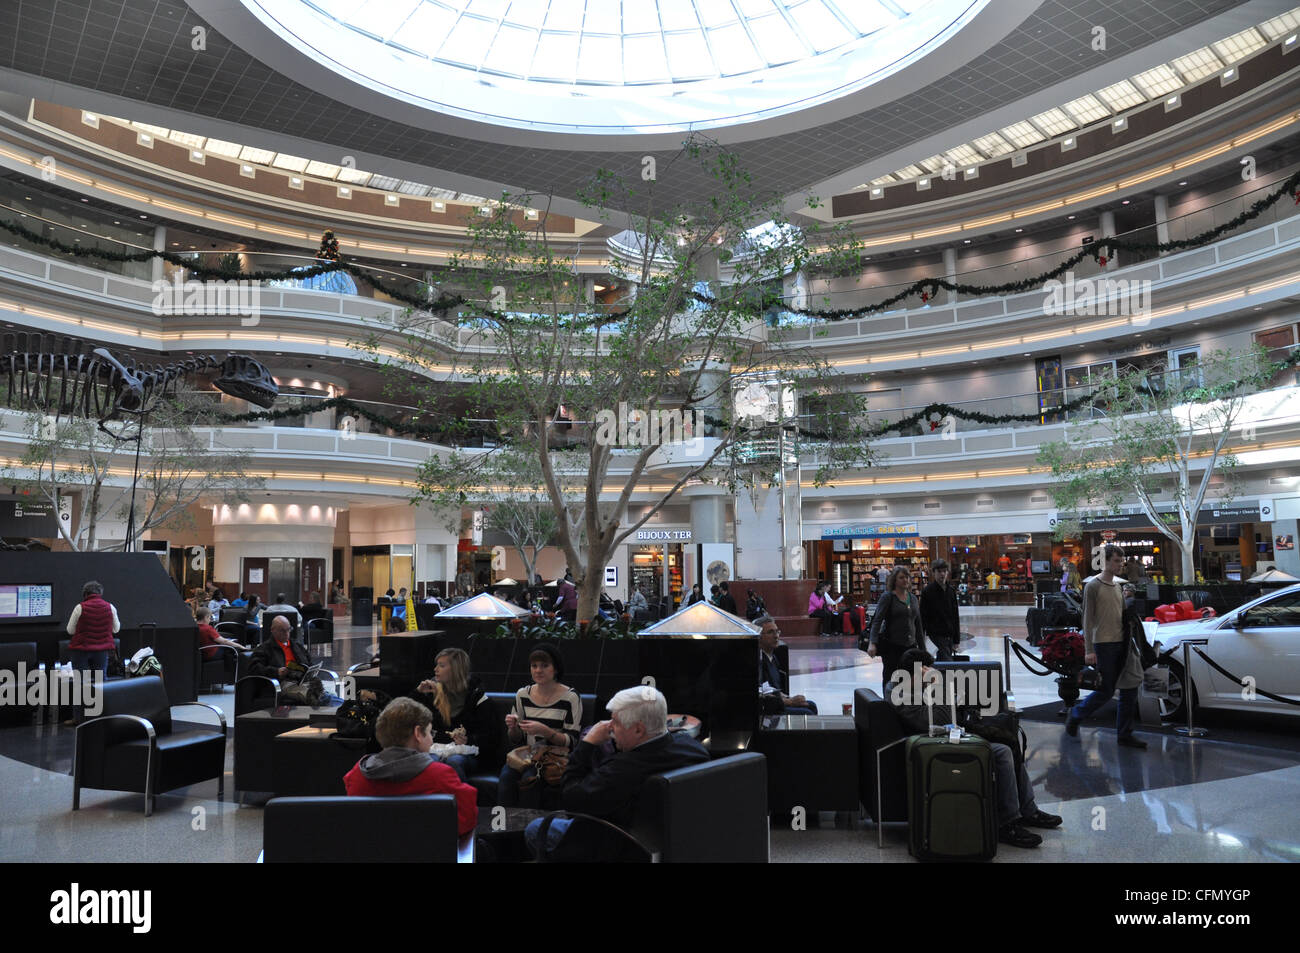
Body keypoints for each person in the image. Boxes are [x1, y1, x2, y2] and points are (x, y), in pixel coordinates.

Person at [891, 648, 1061, 848]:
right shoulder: (902, 694)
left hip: (951, 736)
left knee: (1009, 743)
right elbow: (942, 720)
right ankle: (1008, 823)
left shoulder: (915, 689)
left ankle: (1028, 810)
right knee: (1002, 752)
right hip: (936, 746)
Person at [524, 685, 709, 860]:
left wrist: (586, 744)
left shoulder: (622, 770)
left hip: (618, 842)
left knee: (535, 828)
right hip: (678, 842)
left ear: (638, 729)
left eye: (616, 722)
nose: (609, 727)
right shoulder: (693, 748)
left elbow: (571, 801)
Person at [343, 697, 478, 836]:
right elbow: (467, 820)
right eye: (431, 732)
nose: (432, 740)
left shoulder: (356, 775)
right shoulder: (440, 776)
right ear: (418, 733)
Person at [1066, 545, 1146, 748]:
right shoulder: (1093, 586)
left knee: (1129, 688)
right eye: (1116, 561)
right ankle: (1076, 714)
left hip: (1122, 643)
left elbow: (1119, 616)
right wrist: (1089, 650)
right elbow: (1087, 619)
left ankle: (1125, 734)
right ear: (1105, 561)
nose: (1120, 565)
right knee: (1106, 690)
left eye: (1121, 561)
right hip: (1104, 644)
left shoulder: (1118, 587)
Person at [499, 644, 582, 808]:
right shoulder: (522, 694)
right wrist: (513, 727)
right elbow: (517, 739)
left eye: (545, 666)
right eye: (534, 666)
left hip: (554, 758)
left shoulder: (570, 697)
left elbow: (572, 742)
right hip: (527, 754)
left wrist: (545, 731)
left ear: (555, 669)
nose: (538, 670)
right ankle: (502, 829)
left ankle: (527, 830)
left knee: (529, 778)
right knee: (506, 777)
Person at [413, 648, 492, 782]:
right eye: (436, 664)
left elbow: (490, 737)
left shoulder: (477, 697)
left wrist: (468, 739)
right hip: (436, 749)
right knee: (429, 761)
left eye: (442, 666)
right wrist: (418, 693)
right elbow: (405, 717)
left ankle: (461, 801)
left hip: (467, 753)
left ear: (456, 670)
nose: (435, 669)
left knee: (454, 762)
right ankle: (433, 802)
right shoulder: (431, 693)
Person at [866, 566, 925, 695]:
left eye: (907, 577)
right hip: (892, 646)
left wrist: (923, 650)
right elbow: (877, 620)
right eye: (901, 577)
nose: (905, 580)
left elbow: (918, 625)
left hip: (910, 647)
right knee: (890, 677)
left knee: (909, 679)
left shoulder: (913, 598)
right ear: (894, 580)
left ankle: (906, 707)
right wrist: (872, 642)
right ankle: (888, 705)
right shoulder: (888, 597)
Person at [756, 615, 817, 715]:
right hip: (769, 708)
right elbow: (763, 693)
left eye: (777, 631)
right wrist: (790, 702)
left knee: (811, 705)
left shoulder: (774, 657)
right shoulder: (759, 660)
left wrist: (789, 698)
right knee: (807, 713)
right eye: (771, 632)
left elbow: (774, 689)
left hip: (778, 701)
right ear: (759, 636)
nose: (776, 636)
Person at [65, 580, 120, 677]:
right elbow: (116, 629)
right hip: (101, 650)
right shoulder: (110, 607)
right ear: (100, 593)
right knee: (100, 683)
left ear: (85, 594)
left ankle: (84, 692)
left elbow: (70, 630)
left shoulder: (79, 607)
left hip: (81, 649)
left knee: (82, 682)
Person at [920, 559, 961, 661]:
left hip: (949, 634)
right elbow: (923, 616)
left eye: (944, 571)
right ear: (933, 573)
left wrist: (956, 639)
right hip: (935, 635)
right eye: (939, 571)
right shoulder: (927, 591)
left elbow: (955, 615)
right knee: (947, 662)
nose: (942, 574)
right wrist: (922, 637)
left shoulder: (951, 591)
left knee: (942, 662)